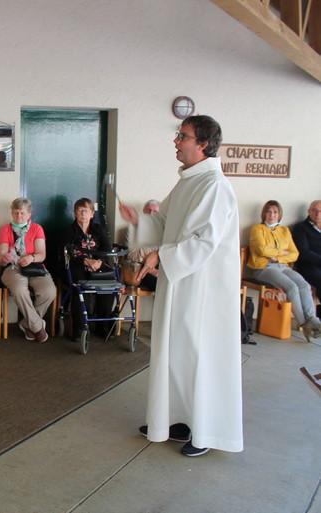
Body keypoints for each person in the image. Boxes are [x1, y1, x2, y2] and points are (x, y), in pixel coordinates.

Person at [119, 115, 242, 457]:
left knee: (198, 355)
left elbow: (204, 242)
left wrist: (159, 256)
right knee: (176, 353)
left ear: (203, 143)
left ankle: (205, 431)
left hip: (203, 289)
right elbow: (165, 222)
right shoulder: (189, 182)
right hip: (182, 282)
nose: (176, 140)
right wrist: (139, 220)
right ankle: (177, 419)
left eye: (182, 136)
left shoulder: (214, 186)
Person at [245, 200, 321, 342]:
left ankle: (313, 320)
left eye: (275, 212)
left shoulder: (284, 230)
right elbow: (262, 250)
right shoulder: (257, 229)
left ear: (279, 214)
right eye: (268, 212)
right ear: (264, 214)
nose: (271, 215)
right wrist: (282, 252)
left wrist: (277, 257)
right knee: (291, 287)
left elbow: (295, 253)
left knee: (304, 285)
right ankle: (306, 325)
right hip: (263, 268)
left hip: (282, 266)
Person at [0, 198, 57, 342]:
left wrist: (31, 258)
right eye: (16, 213)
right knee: (19, 290)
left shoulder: (37, 228)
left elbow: (42, 254)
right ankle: (37, 327)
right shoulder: (5, 229)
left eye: (22, 213)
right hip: (12, 267)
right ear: (12, 213)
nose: (19, 216)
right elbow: (0, 257)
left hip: (34, 266)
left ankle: (27, 324)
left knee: (49, 292)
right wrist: (4, 258)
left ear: (29, 214)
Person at [61, 198, 114, 337]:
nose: (83, 214)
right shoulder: (68, 231)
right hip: (76, 266)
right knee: (80, 286)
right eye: (80, 210)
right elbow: (67, 253)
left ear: (92, 213)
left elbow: (106, 249)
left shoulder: (99, 230)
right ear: (75, 213)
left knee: (109, 285)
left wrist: (98, 262)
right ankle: (79, 329)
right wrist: (85, 262)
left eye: (86, 211)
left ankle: (103, 327)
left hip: (98, 265)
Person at [292, 200, 321, 317]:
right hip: (309, 266)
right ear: (309, 212)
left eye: (320, 211)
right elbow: (304, 253)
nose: (318, 214)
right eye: (314, 211)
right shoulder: (301, 228)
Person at [125, 200, 161, 291]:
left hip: (161, 269)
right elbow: (132, 256)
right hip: (140, 269)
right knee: (161, 286)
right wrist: (151, 269)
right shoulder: (132, 229)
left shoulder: (164, 231)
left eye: (155, 211)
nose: (151, 213)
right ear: (143, 212)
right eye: (148, 210)